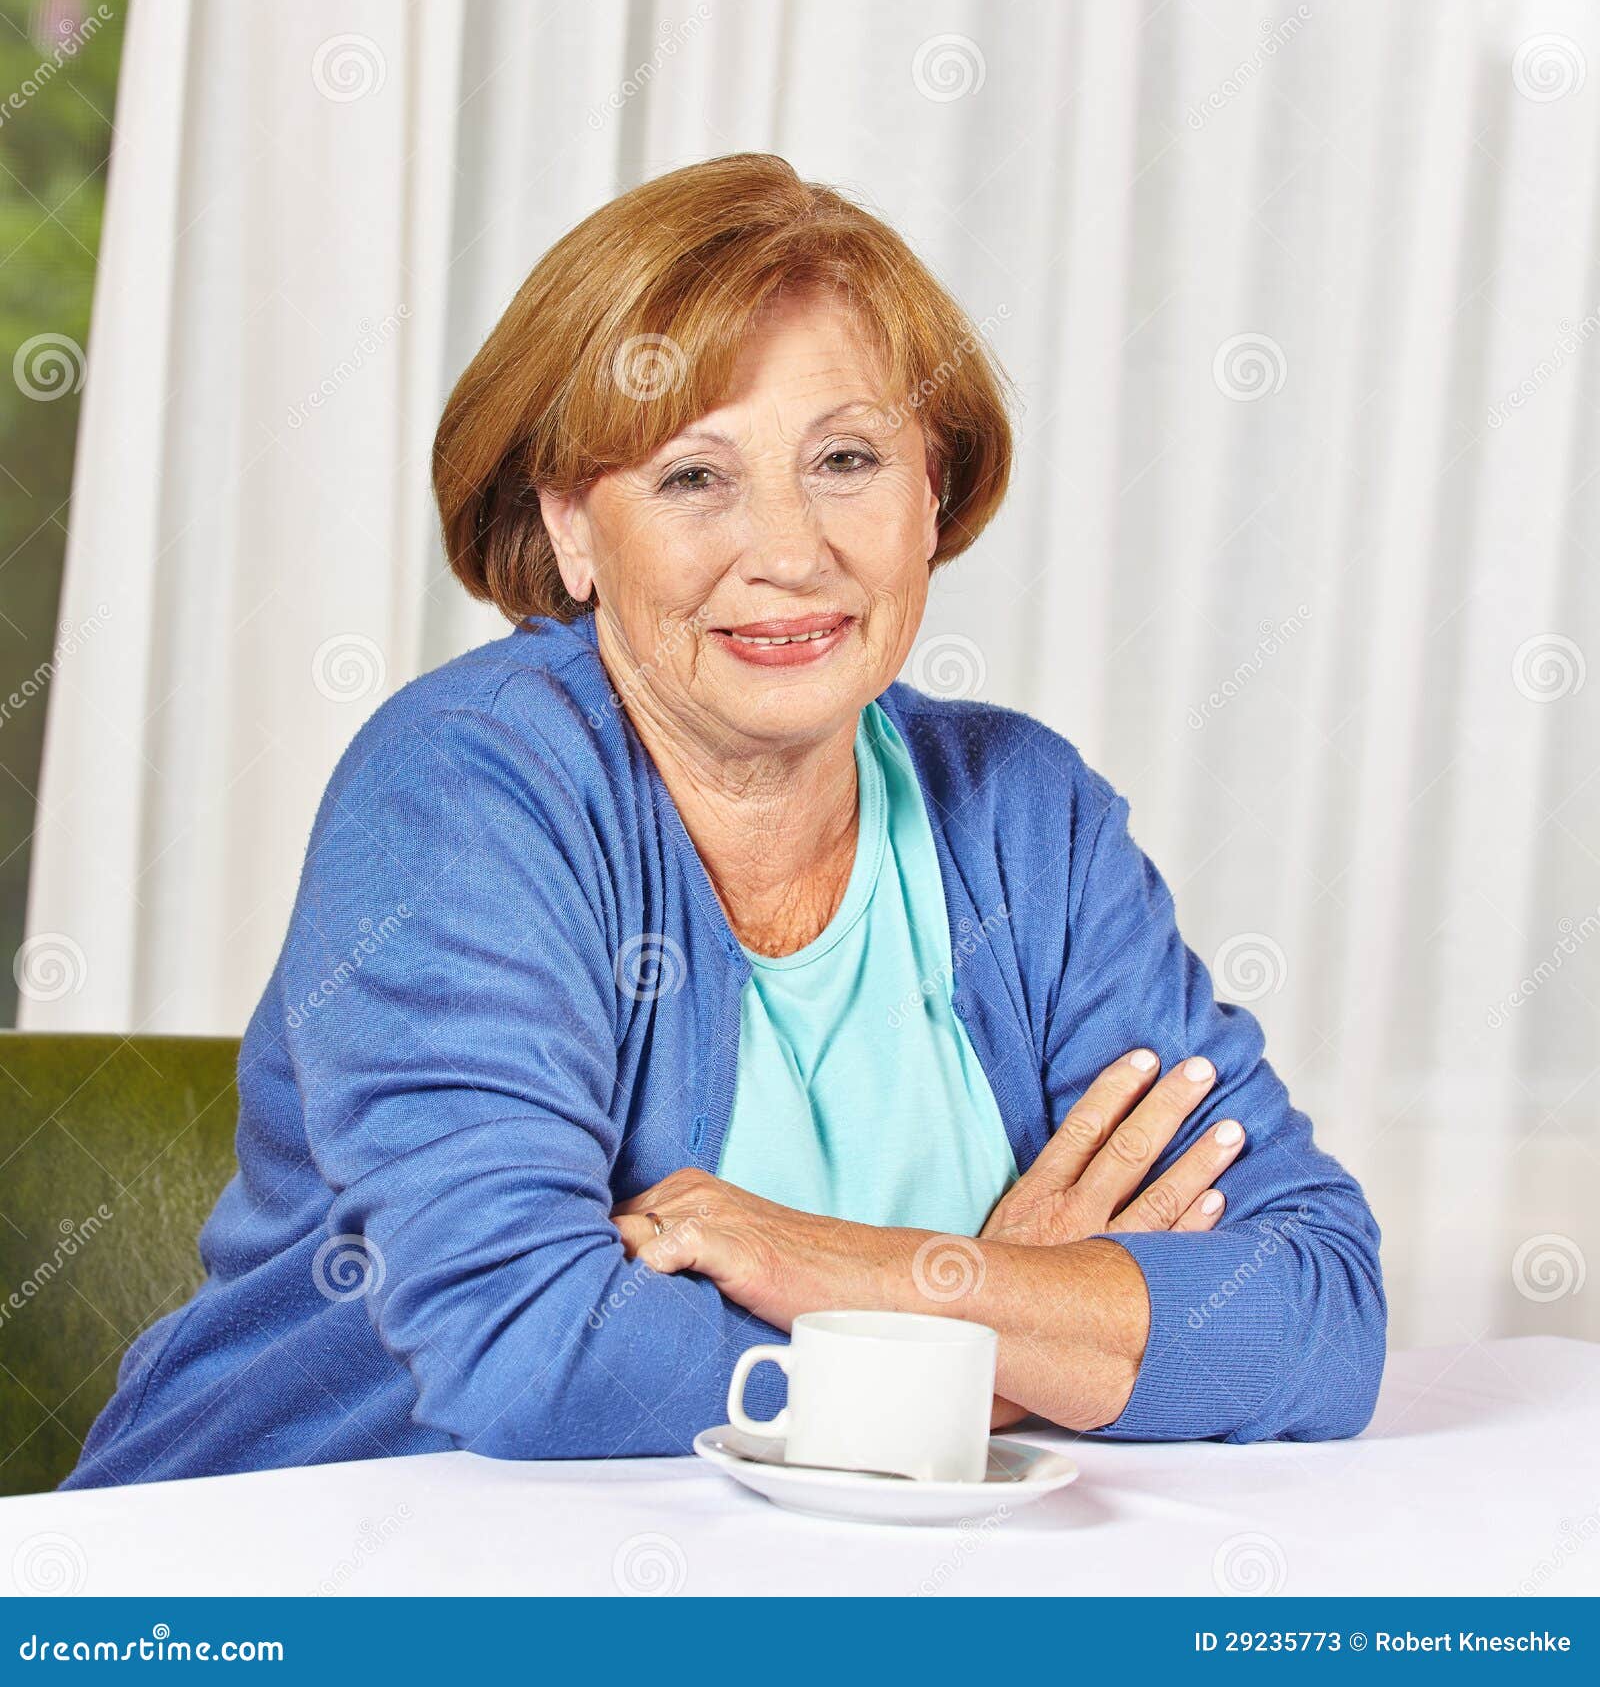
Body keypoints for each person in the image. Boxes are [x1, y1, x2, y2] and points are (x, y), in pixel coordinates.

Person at [64, 153, 1383, 1489]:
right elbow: (536, 1355)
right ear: (573, 526)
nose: (791, 549)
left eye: (849, 458)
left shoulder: (1025, 821)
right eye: (695, 477)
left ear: (936, 490)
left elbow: (1319, 1315)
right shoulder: (461, 793)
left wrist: (845, 1270)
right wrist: (1006, 1329)